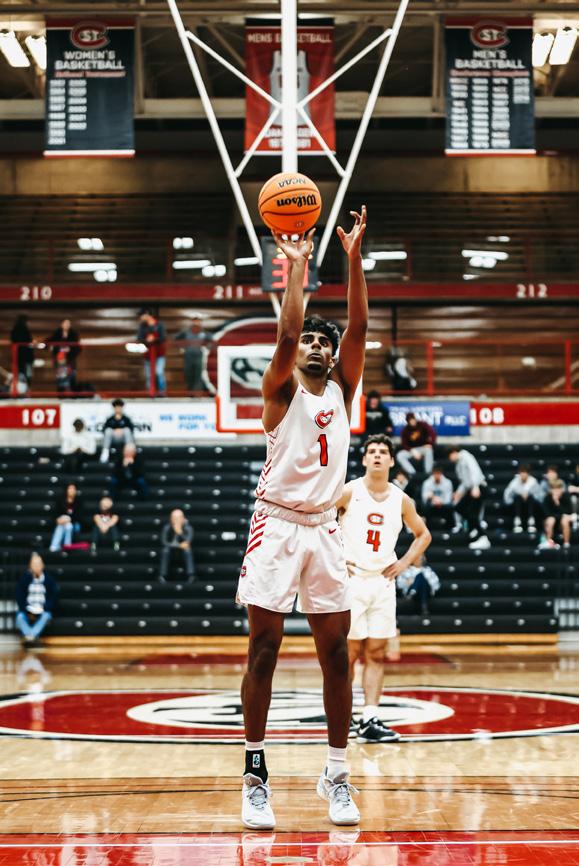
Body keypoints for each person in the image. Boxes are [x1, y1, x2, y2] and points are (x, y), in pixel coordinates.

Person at [237, 208, 368, 829]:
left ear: (334, 355)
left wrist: (354, 257)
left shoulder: (343, 388)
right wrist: (295, 266)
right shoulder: (281, 390)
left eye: (324, 341)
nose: (315, 345)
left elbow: (360, 326)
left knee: (337, 654)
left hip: (324, 528)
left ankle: (336, 774)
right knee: (264, 649)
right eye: (311, 341)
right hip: (277, 524)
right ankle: (254, 775)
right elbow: (287, 333)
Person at [337, 434, 431, 744]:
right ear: (364, 459)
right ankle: (343, 715)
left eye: (382, 452)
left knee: (376, 653)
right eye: (372, 451)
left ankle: (370, 717)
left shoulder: (401, 499)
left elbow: (423, 535)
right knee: (350, 654)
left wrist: (403, 563)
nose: (377, 456)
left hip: (383, 582)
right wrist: (336, 558)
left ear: (391, 460)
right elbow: (320, 522)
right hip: (352, 582)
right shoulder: (348, 491)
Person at [447, 446, 489, 549]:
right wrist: (458, 493)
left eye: (449, 456)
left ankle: (483, 537)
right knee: (459, 508)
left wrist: (475, 486)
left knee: (472, 513)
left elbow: (474, 471)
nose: (450, 459)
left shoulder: (466, 456)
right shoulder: (458, 465)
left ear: (454, 452)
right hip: (470, 489)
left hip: (478, 487)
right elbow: (464, 482)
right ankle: (474, 528)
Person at [15, 553, 59, 645]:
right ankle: (32, 637)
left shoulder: (49, 580)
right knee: (19, 617)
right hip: (28, 609)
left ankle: (30, 636)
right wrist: (25, 608)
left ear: (43, 565)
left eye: (38, 564)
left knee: (46, 616)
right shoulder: (24, 579)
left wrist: (46, 607)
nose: (37, 566)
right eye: (34, 564)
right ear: (30, 566)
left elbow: (53, 596)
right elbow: (19, 596)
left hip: (43, 609)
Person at [173, 315, 213, 392]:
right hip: (188, 355)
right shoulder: (186, 331)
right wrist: (181, 347)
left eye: (198, 321)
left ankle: (197, 392)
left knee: (198, 374)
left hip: (199, 355)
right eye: (195, 320)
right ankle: (190, 392)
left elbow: (210, 341)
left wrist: (207, 348)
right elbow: (176, 338)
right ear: (192, 321)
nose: (196, 322)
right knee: (188, 373)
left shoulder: (203, 332)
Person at [503, 465, 543, 534]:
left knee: (530, 498)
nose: (523, 474)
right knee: (517, 498)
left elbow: (540, 497)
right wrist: (520, 494)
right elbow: (507, 495)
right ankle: (517, 522)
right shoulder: (514, 482)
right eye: (521, 472)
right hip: (517, 505)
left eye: (525, 472)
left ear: (528, 473)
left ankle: (531, 522)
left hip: (531, 505)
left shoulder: (533, 481)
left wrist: (529, 494)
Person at [159, 508, 195, 582]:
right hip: (171, 549)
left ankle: (191, 574)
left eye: (179, 518)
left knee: (188, 550)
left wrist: (180, 533)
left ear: (183, 519)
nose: (177, 520)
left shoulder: (188, 528)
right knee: (165, 550)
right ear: (171, 519)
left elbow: (188, 541)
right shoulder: (167, 528)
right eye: (174, 518)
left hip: (183, 551)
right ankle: (162, 575)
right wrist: (179, 546)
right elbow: (164, 542)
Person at [46, 318, 81, 394]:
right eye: (65, 323)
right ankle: (61, 395)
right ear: (61, 324)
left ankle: (73, 395)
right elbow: (47, 342)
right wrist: (53, 348)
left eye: (68, 324)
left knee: (72, 377)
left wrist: (70, 350)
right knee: (61, 378)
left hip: (70, 360)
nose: (67, 325)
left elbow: (78, 348)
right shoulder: (56, 334)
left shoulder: (74, 335)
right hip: (60, 361)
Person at [396, 413, 436, 477]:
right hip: (412, 450)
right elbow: (404, 444)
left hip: (423, 448)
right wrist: (412, 451)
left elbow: (433, 434)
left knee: (429, 450)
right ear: (408, 422)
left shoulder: (422, 425)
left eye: (413, 419)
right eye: (410, 420)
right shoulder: (405, 430)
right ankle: (412, 473)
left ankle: (428, 473)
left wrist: (430, 444)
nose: (412, 421)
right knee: (400, 455)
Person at [137, 309, 167, 396]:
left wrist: (154, 339)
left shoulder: (159, 325)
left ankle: (162, 393)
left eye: (141, 315)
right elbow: (139, 338)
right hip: (147, 355)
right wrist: (147, 340)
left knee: (159, 373)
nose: (140, 318)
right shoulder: (142, 326)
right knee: (149, 375)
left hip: (159, 355)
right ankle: (151, 394)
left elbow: (163, 338)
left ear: (147, 315)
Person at [421, 465, 457, 532]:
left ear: (441, 474)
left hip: (443, 505)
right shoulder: (427, 483)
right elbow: (424, 497)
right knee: (425, 507)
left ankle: (452, 527)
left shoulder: (448, 482)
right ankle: (426, 528)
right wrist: (432, 498)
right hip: (432, 505)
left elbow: (448, 499)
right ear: (433, 474)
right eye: (435, 474)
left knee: (450, 507)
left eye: (438, 474)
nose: (437, 476)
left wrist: (440, 502)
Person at [49, 483, 84, 552]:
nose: (72, 490)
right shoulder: (60, 501)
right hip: (62, 524)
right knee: (66, 525)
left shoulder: (79, 502)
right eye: (70, 488)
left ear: (76, 491)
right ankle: (67, 545)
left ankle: (54, 546)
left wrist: (69, 519)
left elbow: (80, 517)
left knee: (68, 525)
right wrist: (58, 520)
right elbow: (55, 515)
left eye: (73, 489)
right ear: (66, 490)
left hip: (75, 524)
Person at [540, 480, 574, 550]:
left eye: (558, 489)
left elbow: (568, 512)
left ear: (562, 489)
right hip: (552, 520)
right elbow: (546, 513)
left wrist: (557, 503)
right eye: (554, 489)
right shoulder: (547, 498)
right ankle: (548, 542)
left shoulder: (566, 497)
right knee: (551, 520)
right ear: (551, 490)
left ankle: (566, 543)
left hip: (562, 521)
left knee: (565, 520)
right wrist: (558, 516)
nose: (556, 491)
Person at [100, 399, 135, 464]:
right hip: (113, 438)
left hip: (123, 438)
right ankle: (105, 453)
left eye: (119, 407)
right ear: (114, 408)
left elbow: (131, 430)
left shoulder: (126, 419)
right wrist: (114, 430)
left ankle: (128, 454)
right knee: (108, 431)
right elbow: (104, 429)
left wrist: (121, 430)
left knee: (127, 430)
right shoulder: (110, 419)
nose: (118, 409)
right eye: (116, 408)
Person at [10, 314, 35, 390]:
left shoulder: (14, 330)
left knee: (21, 374)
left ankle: (20, 390)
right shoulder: (24, 330)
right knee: (27, 375)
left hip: (18, 357)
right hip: (26, 357)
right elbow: (28, 342)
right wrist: (32, 343)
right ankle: (25, 391)